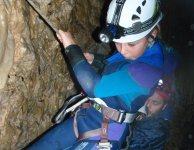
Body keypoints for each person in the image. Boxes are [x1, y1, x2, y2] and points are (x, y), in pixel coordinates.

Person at [26, 0, 179, 149]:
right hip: (89, 118)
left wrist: (71, 47)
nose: (122, 50)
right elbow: (120, 68)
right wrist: (96, 60)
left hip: (104, 133)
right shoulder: (140, 53)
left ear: (152, 34)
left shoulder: (148, 72)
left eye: (131, 44)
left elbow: (94, 87)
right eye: (117, 42)